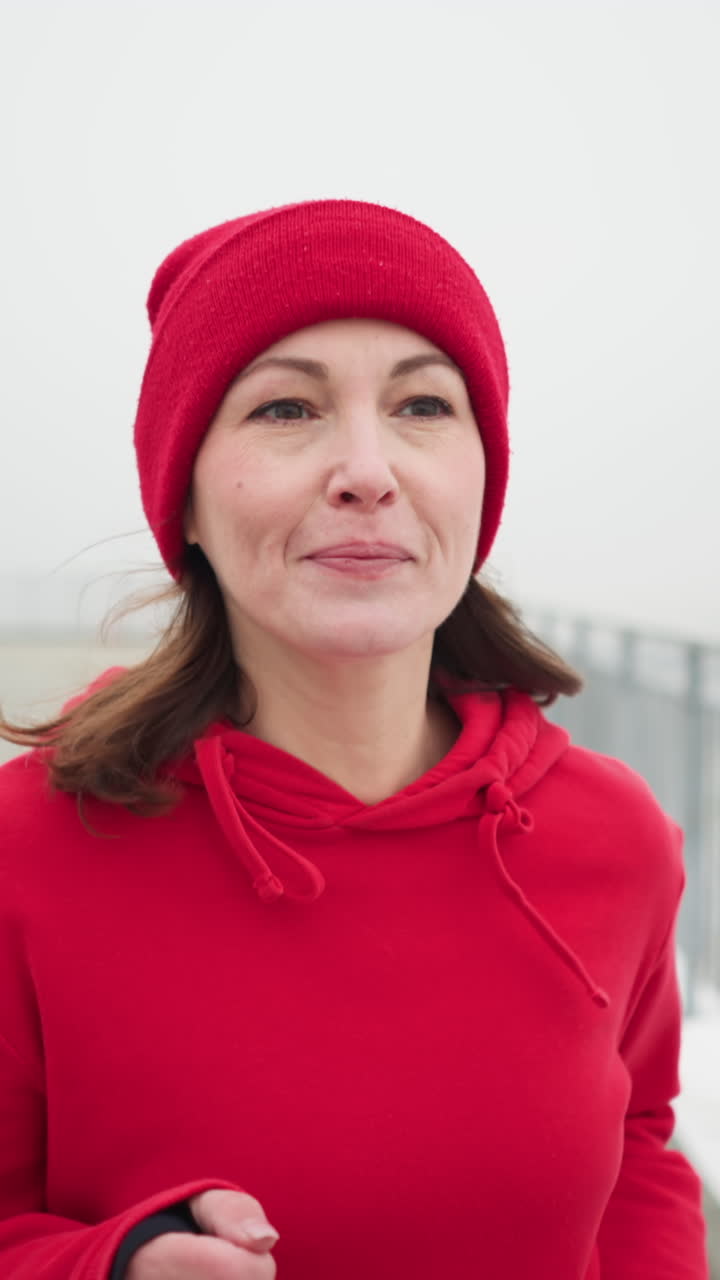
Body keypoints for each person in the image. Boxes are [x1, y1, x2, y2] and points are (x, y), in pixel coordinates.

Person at [0, 198, 709, 1279]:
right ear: (182, 492)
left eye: (425, 403)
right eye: (286, 409)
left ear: (483, 476)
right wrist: (112, 1262)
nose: (367, 470)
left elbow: (638, 1142)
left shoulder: (616, 835)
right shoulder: (30, 843)